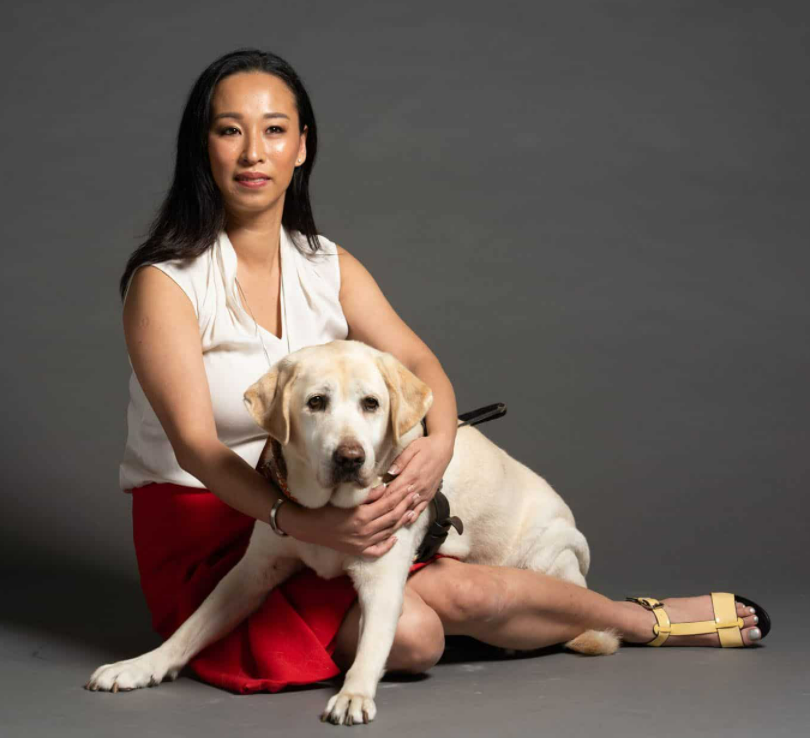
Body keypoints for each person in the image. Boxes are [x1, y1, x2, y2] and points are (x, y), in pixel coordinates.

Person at [102, 48, 770, 695]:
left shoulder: (324, 264)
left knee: (462, 591)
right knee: (418, 636)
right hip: (216, 523)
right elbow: (198, 447)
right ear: (203, 146)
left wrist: (436, 446)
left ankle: (640, 619)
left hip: (327, 495)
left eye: (274, 130)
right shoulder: (167, 284)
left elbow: (422, 366)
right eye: (229, 131)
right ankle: (570, 618)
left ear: (301, 146)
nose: (253, 152)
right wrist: (300, 523)